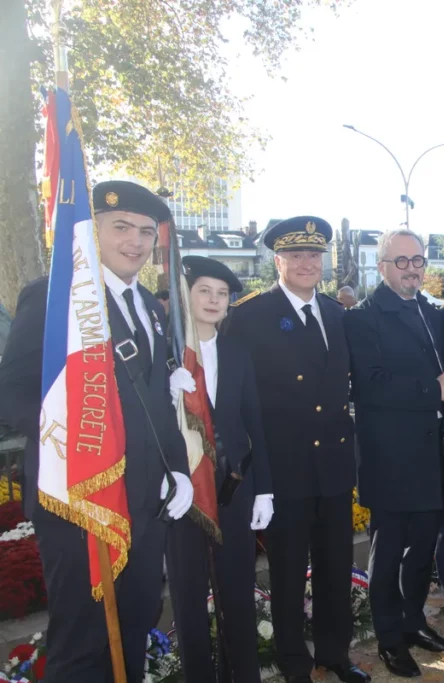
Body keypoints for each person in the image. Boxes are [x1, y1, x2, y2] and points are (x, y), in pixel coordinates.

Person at [0, 181, 195, 682]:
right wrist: (65, 439)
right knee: (83, 638)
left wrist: (177, 469)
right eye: (121, 227)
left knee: (134, 624)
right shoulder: (56, 297)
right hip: (80, 502)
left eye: (146, 232)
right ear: (94, 232)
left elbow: (158, 404)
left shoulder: (153, 310)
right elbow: (14, 390)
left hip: (145, 506)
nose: (134, 241)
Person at [226, 217, 369, 683]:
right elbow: (238, 398)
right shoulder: (248, 316)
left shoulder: (337, 314)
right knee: (287, 574)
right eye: (296, 255)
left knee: (335, 568)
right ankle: (294, 663)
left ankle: (334, 653)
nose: (307, 263)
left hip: (332, 464)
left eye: (314, 255)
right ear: (278, 260)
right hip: (284, 468)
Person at [345, 230, 444, 678]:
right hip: (390, 455)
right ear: (382, 266)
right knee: (389, 552)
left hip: (431, 452)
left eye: (418, 260)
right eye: (401, 261)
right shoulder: (363, 317)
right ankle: (390, 640)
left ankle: (414, 624)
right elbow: (369, 387)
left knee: (422, 551)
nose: (412, 268)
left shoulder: (429, 312)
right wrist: (434, 391)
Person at [165, 256, 273, 683]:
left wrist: (263, 487)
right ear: (186, 296)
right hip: (182, 492)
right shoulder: (165, 352)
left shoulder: (237, 352)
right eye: (204, 291)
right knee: (189, 599)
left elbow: (253, 421)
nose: (213, 300)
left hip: (234, 488)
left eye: (222, 294)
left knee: (237, 594)